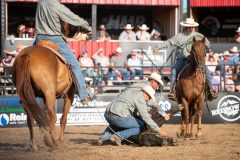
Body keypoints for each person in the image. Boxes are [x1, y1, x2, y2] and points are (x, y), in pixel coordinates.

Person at [34, 0, 93, 105]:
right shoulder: (57, 6)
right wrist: (87, 26)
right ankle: (84, 95)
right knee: (74, 64)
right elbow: (73, 18)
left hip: (39, 38)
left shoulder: (40, 3)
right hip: (54, 39)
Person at [153, 18, 218, 101]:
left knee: (207, 71)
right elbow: (169, 42)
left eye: (191, 27)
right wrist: (158, 47)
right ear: (185, 27)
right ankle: (173, 91)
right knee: (174, 71)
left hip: (196, 60)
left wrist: (202, 46)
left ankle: (211, 90)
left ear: (194, 27)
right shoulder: (179, 37)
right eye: (187, 27)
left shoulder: (199, 36)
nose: (189, 28)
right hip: (183, 59)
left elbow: (208, 44)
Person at [98, 85, 166, 146]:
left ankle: (103, 138)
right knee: (140, 125)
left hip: (107, 114)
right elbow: (146, 117)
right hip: (117, 116)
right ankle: (118, 136)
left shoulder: (131, 91)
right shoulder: (140, 98)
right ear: (146, 94)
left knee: (117, 122)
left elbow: (132, 109)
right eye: (149, 97)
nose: (149, 100)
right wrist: (158, 130)